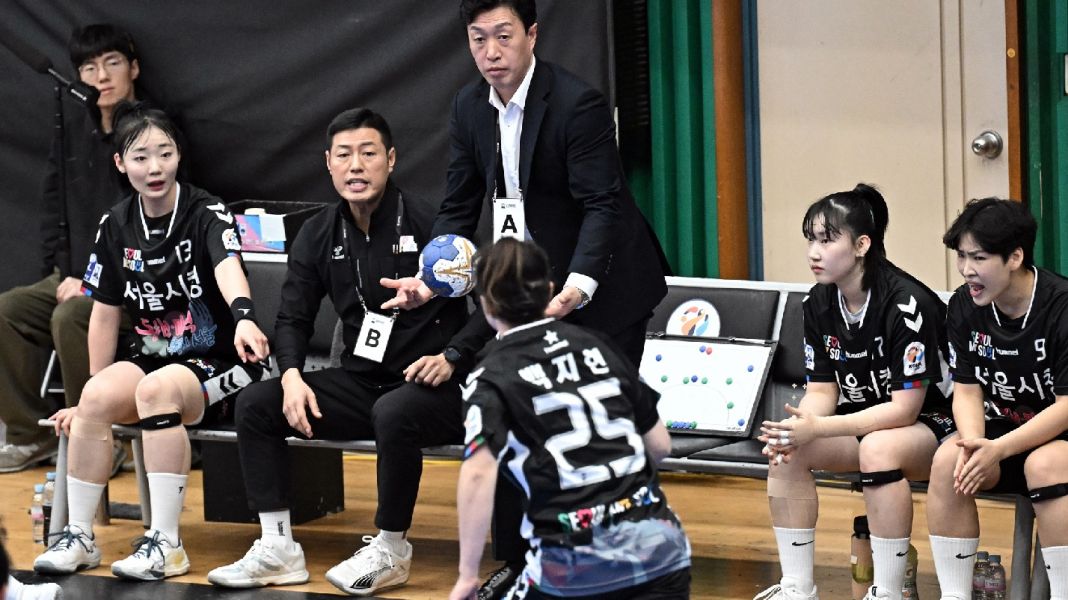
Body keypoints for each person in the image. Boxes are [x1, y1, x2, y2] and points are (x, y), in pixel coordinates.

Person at [381, 2, 670, 594]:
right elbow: (459, 204)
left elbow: (603, 205)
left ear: (532, 35)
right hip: (531, 290)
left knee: (592, 428)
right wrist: (431, 279)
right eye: (477, 39)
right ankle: (519, 566)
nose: (491, 52)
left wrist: (576, 289)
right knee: (517, 413)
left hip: (605, 287)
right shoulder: (467, 106)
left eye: (503, 36)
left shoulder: (576, 104)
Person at [206, 108, 489, 596]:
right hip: (362, 382)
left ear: (391, 159)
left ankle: (392, 549)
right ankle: (277, 547)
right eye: (344, 155)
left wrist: (453, 357)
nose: (356, 166)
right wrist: (291, 378)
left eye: (368, 153)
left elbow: (494, 302)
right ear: (329, 164)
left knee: (394, 411)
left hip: (435, 387)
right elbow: (293, 318)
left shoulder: (432, 223)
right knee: (256, 403)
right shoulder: (318, 232)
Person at [32, 102, 269, 581]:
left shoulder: (207, 212)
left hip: (226, 361)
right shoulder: (115, 224)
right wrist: (89, 393)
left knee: (155, 392)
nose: (154, 167)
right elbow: (104, 314)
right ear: (121, 163)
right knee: (94, 398)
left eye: (164, 153)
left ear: (179, 155)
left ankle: (166, 544)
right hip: (157, 357)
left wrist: (244, 317)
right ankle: (79, 536)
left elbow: (229, 267)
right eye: (141, 157)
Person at [449, 238, 690, 600]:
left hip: (572, 561)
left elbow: (478, 474)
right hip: (661, 547)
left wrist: (468, 575)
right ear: (549, 290)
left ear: (485, 303)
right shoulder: (599, 346)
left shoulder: (490, 377)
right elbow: (660, 445)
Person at [754, 184, 955, 600]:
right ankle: (797, 587)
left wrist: (820, 428)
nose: (814, 252)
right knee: (788, 449)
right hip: (866, 420)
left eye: (827, 240)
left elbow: (903, 410)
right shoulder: (818, 303)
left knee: (878, 450)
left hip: (932, 423)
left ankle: (887, 591)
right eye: (811, 239)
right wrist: (801, 426)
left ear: (862, 245)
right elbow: (822, 390)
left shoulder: (906, 304)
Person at [0, 23, 141, 473]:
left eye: (112, 63)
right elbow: (53, 204)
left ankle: (98, 437)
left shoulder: (149, 130)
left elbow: (143, 225)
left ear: (133, 69)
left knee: (73, 315)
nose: (102, 76)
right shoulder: (73, 127)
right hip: (75, 274)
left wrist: (90, 282)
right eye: (89, 68)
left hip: (131, 282)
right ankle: (31, 435)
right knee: (8, 310)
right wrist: (62, 270)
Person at [927, 198, 1068, 600]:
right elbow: (967, 391)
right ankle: (955, 594)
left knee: (1044, 465)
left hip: (1059, 434)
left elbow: (1066, 407)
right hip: (1005, 432)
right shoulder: (963, 306)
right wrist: (975, 444)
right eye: (961, 256)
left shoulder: (1061, 307)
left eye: (979, 257)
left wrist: (998, 449)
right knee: (951, 460)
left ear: (1015, 257)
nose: (966, 269)